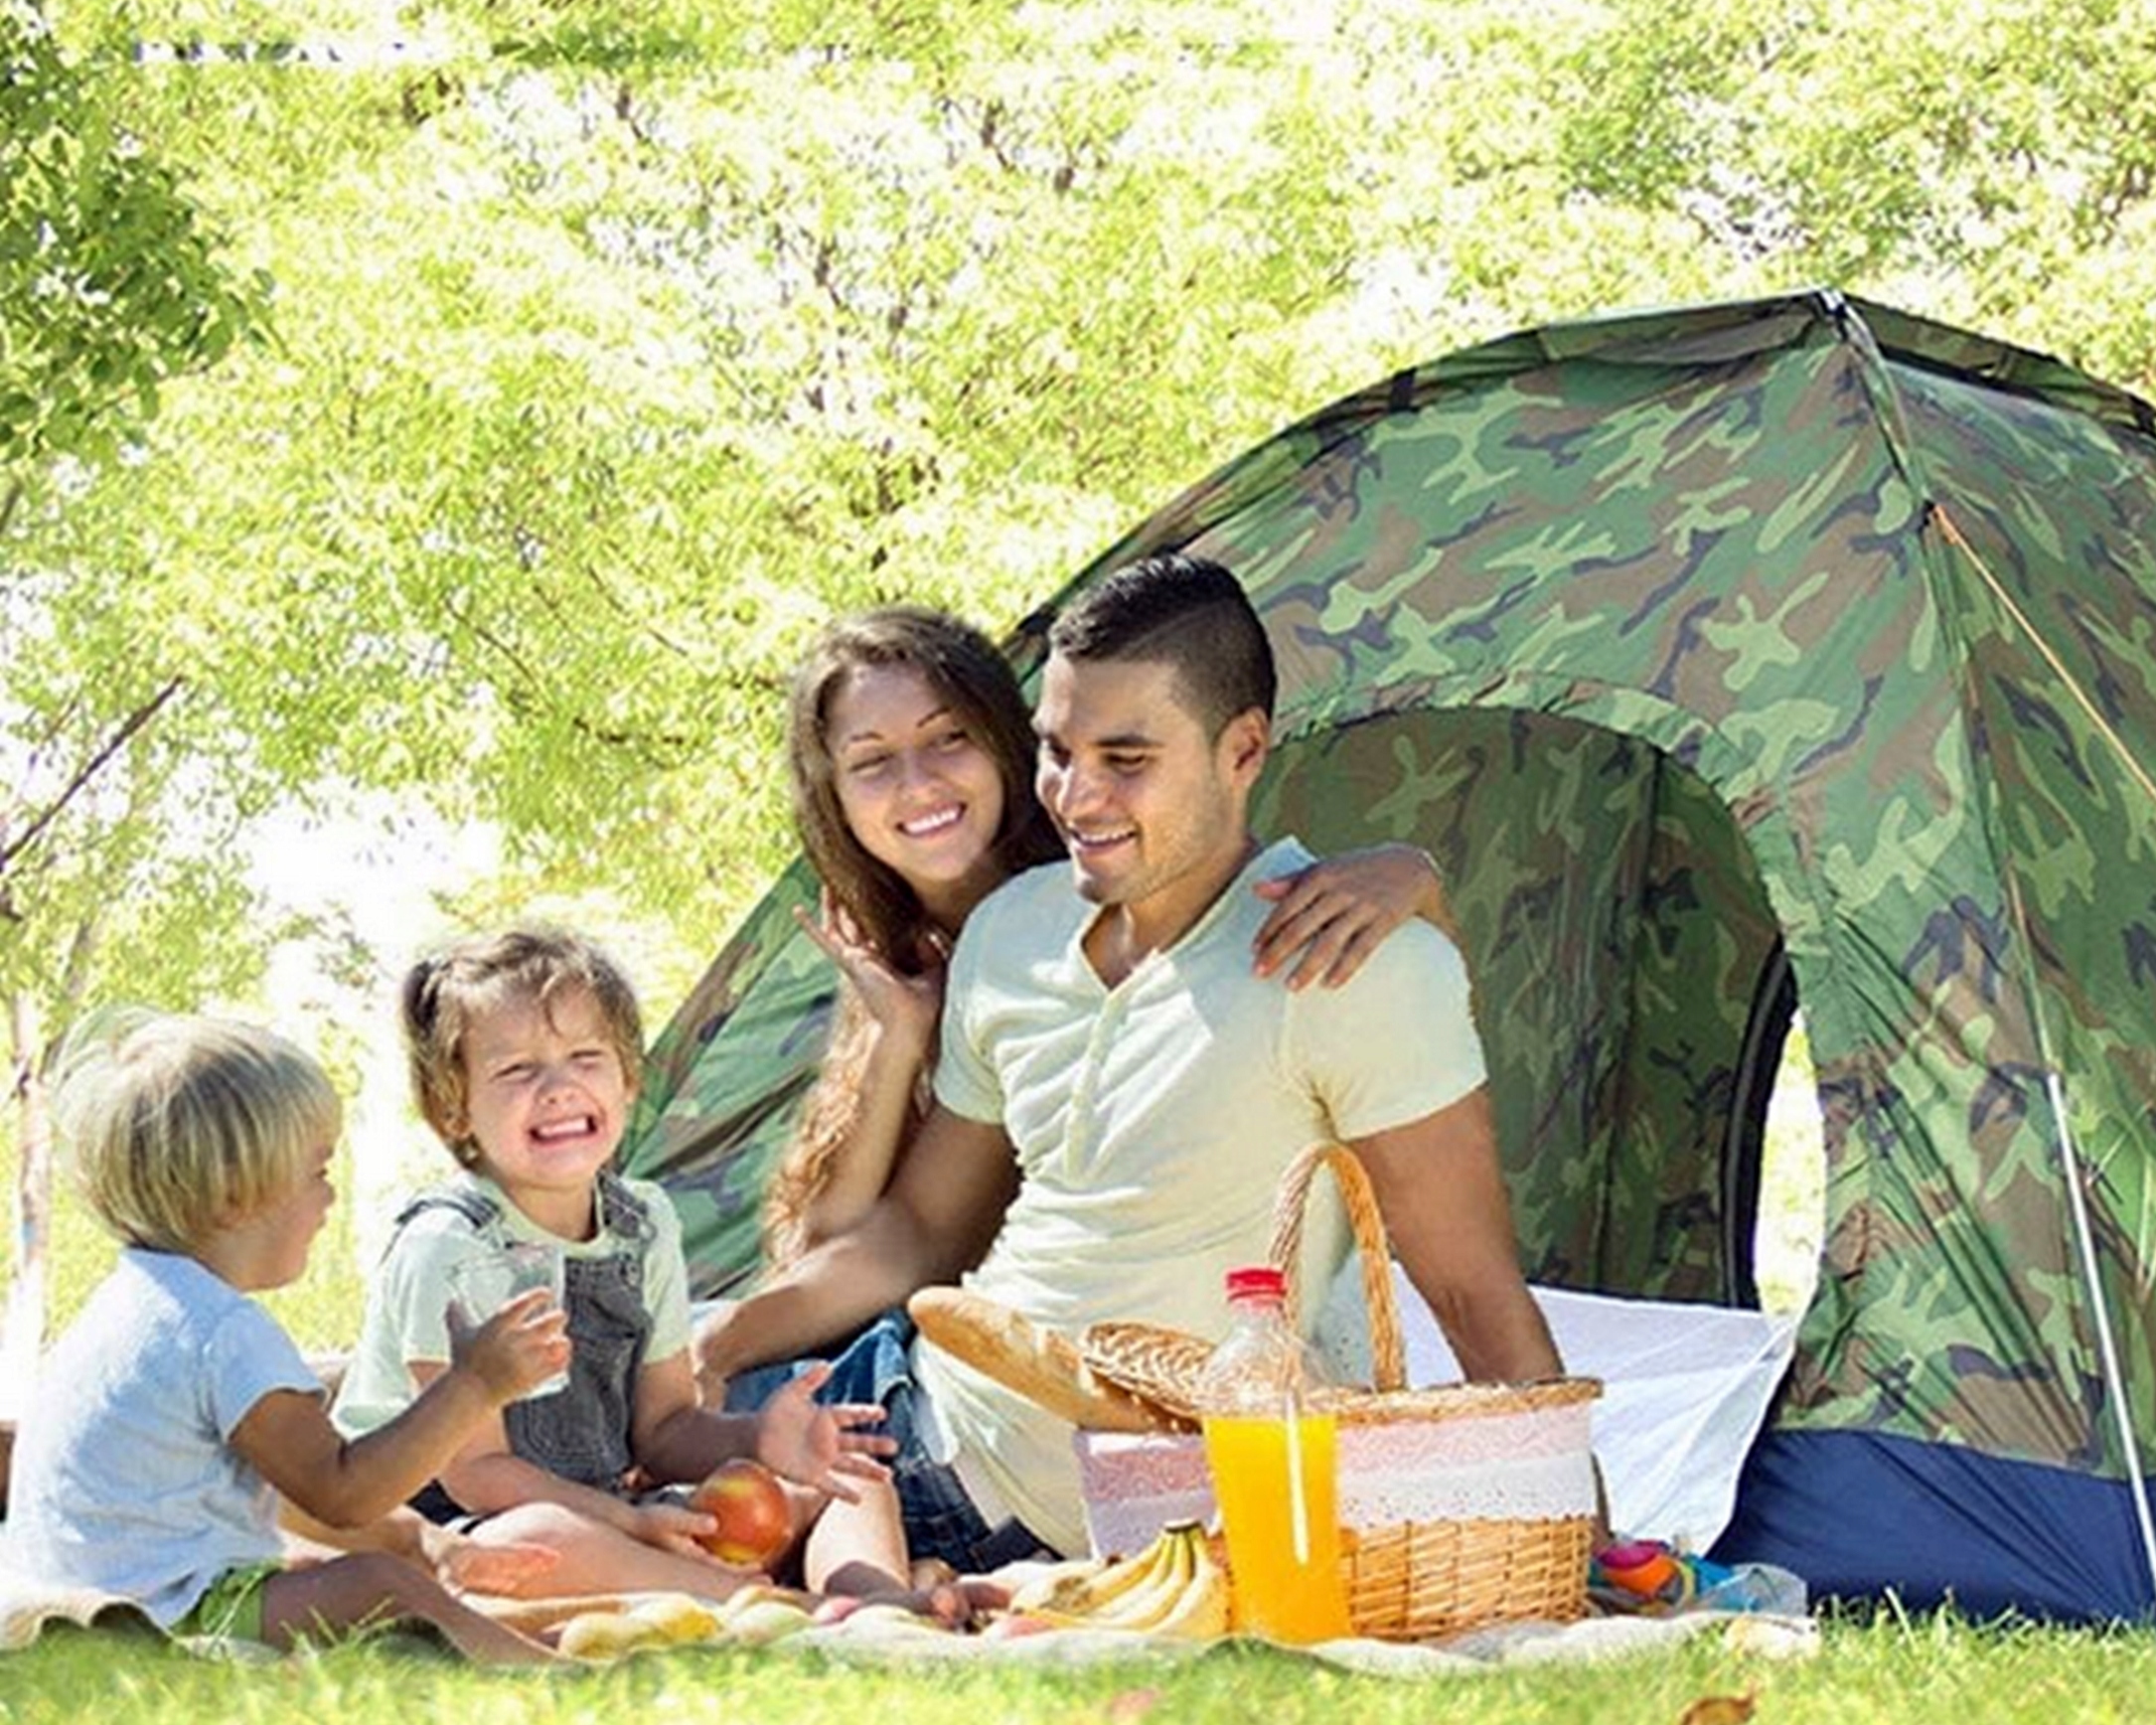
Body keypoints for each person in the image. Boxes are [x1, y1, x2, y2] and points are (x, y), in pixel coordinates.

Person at [702, 553, 1569, 1571]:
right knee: (594, 1418)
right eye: (1057, 752)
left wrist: (1581, 1543)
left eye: (1125, 758)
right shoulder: (1009, 930)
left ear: (1244, 750)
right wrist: (714, 1346)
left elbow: (1473, 1292)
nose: (1077, 797)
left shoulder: (1350, 961)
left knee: (591, 1486)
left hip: (1026, 1499)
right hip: (903, 1404)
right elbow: (921, 1229)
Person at [706, 602, 1446, 1383]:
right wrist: (895, 1039)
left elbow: (1396, 1017)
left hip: (1193, 1349)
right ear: (834, 796)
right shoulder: (903, 960)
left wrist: (1416, 878)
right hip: (997, 1352)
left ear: (1007, 742)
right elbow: (831, 1250)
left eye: (949, 738)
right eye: (872, 761)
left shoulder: (1126, 895)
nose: (917, 784)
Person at [330, 925, 938, 1608]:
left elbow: (665, 1429)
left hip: (610, 1508)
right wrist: (631, 1525)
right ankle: (791, 1611)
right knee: (541, 1539)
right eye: (517, 1070)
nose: (559, 1087)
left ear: (628, 1080)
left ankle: (879, 1607)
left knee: (845, 1480)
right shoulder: (449, 1246)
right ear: (454, 1109)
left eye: (585, 1057)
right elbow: (475, 1475)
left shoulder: (642, 1222)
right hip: (452, 1531)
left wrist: (757, 1438)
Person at [0, 1012, 561, 1666]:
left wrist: (429, 1543)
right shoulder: (221, 1331)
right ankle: (551, 1675)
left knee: (314, 1566)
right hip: (156, 1619)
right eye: (317, 1172)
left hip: (70, 1598)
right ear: (235, 1194)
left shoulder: (135, 1306)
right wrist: (475, 1386)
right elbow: (341, 1493)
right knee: (377, 1588)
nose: (330, 1199)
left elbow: (286, 1490)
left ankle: (508, 1638)